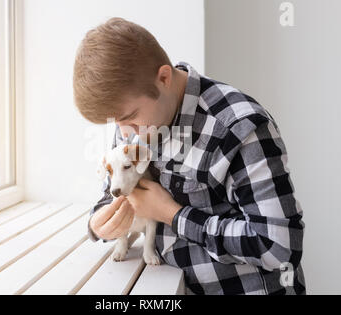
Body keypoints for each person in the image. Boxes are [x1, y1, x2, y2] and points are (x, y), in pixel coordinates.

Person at [73, 17, 306, 295]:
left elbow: (279, 248)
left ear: (163, 78)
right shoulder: (132, 124)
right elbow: (111, 192)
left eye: (131, 117)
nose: (124, 132)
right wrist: (99, 223)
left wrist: (172, 214)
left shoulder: (240, 127)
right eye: (116, 121)